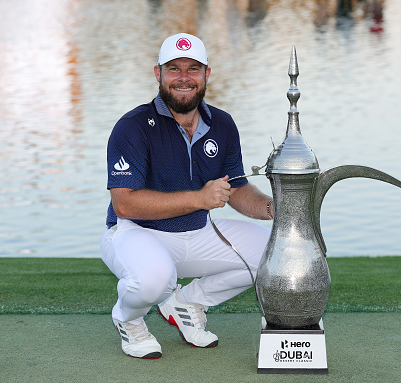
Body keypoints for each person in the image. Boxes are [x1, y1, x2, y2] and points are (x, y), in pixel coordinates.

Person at [100, 33, 273, 359]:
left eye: (193, 69)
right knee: (154, 281)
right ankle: (129, 319)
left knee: (273, 255)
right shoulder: (133, 126)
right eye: (173, 69)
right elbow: (124, 203)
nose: (183, 78)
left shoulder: (222, 123)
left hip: (198, 232)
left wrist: (272, 207)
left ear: (206, 74)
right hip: (134, 233)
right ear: (158, 74)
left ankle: (187, 302)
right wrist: (198, 198)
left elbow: (235, 187)